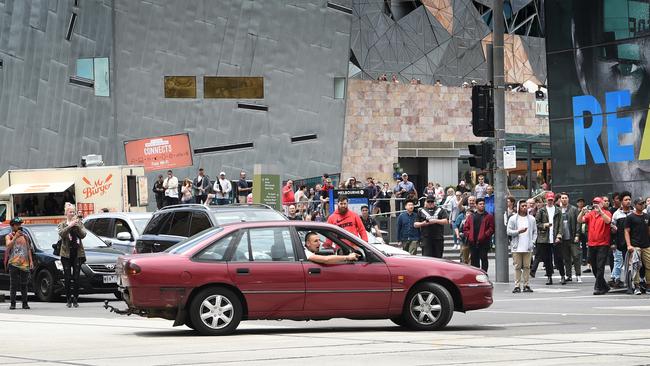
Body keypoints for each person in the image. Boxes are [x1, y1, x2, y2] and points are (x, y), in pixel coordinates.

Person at [578, 197, 613, 295]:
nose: (595, 205)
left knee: (600, 266)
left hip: (603, 244)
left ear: (602, 204)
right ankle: (604, 286)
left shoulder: (606, 212)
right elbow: (580, 220)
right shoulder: (591, 214)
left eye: (597, 203)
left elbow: (608, 221)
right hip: (592, 243)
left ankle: (598, 287)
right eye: (594, 203)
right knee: (594, 266)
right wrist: (582, 212)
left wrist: (601, 211)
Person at [58, 203, 87, 307]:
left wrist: (77, 226)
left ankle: (75, 299)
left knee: (76, 277)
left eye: (73, 212)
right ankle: (68, 299)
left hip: (77, 253)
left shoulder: (79, 223)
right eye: (70, 212)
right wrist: (69, 226)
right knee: (67, 277)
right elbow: (61, 234)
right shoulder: (62, 224)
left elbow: (83, 235)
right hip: (66, 254)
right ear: (66, 213)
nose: (72, 213)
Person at [533, 192, 565, 285]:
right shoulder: (541, 210)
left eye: (551, 199)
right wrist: (544, 225)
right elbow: (537, 223)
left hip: (555, 237)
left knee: (559, 258)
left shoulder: (558, 210)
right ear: (545, 200)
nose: (550, 201)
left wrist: (559, 235)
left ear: (554, 200)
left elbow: (560, 224)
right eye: (549, 199)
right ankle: (549, 276)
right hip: (545, 238)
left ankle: (562, 275)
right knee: (547, 259)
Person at [507, 200, 537, 293]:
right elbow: (508, 231)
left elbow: (535, 232)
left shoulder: (531, 219)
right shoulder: (513, 218)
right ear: (519, 207)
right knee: (517, 267)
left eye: (525, 206)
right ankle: (517, 285)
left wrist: (532, 242)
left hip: (528, 246)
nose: (525, 207)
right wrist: (518, 231)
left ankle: (526, 285)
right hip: (517, 247)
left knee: (527, 267)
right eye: (522, 206)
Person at [4, 217, 33, 309]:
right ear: (12, 226)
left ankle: (25, 303)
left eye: (20, 224)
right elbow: (8, 245)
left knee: (24, 284)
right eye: (17, 225)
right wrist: (15, 236)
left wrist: (31, 261)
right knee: (13, 284)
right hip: (13, 263)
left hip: (24, 264)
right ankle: (13, 303)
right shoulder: (9, 236)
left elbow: (28, 249)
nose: (19, 226)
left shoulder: (25, 236)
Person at [624, 197, 650, 295]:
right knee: (636, 266)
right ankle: (637, 286)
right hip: (635, 245)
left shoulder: (647, 216)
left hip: (646, 245)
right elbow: (626, 231)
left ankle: (648, 286)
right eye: (640, 203)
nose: (642, 205)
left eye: (643, 203)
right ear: (635, 205)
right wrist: (629, 245)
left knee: (649, 266)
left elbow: (649, 231)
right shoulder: (630, 217)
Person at [463, 198, 494, 271]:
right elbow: (465, 228)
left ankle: (484, 274)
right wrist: (469, 235)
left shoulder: (489, 216)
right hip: (473, 242)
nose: (482, 205)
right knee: (474, 260)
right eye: (480, 204)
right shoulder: (471, 216)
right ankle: (475, 276)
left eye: (483, 204)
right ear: (476, 205)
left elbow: (492, 228)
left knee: (484, 258)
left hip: (484, 242)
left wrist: (485, 235)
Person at [557, 192, 582, 283]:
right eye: (562, 198)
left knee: (576, 256)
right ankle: (568, 275)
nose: (564, 199)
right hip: (563, 238)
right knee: (566, 258)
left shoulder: (574, 209)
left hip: (573, 237)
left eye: (565, 198)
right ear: (560, 199)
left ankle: (578, 275)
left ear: (568, 199)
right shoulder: (558, 210)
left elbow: (578, 222)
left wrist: (577, 235)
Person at [611, 191, 632, 289]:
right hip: (622, 244)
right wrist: (613, 242)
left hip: (635, 243)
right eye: (626, 200)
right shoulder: (616, 214)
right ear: (621, 201)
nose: (628, 201)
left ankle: (637, 281)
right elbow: (612, 230)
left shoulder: (635, 212)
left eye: (629, 199)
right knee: (622, 263)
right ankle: (622, 281)